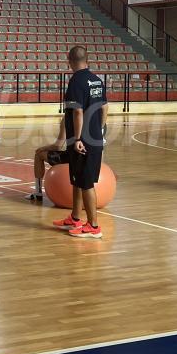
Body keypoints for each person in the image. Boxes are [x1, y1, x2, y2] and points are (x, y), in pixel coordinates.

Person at [31, 46, 108, 239]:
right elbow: (105, 107)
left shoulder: (76, 81)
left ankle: (93, 226)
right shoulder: (97, 80)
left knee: (86, 183)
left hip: (82, 142)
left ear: (70, 61)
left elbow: (78, 112)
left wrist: (79, 138)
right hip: (94, 138)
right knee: (77, 180)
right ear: (87, 59)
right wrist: (98, 129)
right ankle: (75, 218)